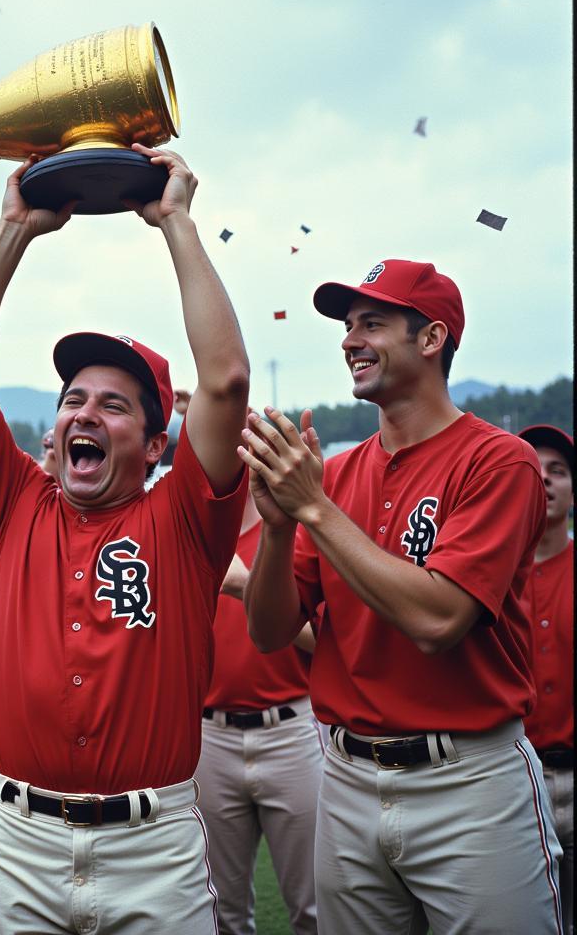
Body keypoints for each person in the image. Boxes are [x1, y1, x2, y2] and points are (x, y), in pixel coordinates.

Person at [0, 144, 250, 933]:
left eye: (114, 405)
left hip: (154, 848)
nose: (85, 416)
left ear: (156, 444)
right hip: (20, 842)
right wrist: (13, 231)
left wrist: (175, 223)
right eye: (74, 399)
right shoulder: (10, 500)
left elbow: (226, 380)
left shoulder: (182, 518)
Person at [241, 259, 563, 934]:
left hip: (469, 779)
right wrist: (276, 529)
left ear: (431, 339)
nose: (350, 340)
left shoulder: (499, 460)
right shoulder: (336, 474)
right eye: (349, 326)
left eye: (373, 324)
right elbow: (270, 632)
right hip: (348, 773)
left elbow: (437, 619)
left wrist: (315, 511)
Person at [195, 489, 323, 935]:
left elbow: (326, 638)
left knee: (315, 906)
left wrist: (242, 584)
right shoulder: (189, 536)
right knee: (221, 912)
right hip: (210, 734)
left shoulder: (290, 532)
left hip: (290, 728)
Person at [518, 423, 574, 935]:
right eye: (535, 469)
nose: (546, 479)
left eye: (559, 471)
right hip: (510, 777)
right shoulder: (486, 570)